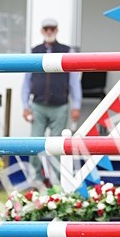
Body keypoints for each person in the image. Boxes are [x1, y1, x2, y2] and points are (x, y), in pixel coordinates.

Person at [21, 18, 82, 185]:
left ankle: (56, 183)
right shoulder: (34, 51)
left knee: (57, 148)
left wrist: (76, 105)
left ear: (56, 30)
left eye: (52, 28)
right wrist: (25, 106)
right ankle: (36, 181)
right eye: (46, 28)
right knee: (35, 145)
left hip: (60, 106)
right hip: (38, 105)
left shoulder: (66, 51)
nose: (49, 31)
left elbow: (74, 81)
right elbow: (27, 80)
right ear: (42, 31)